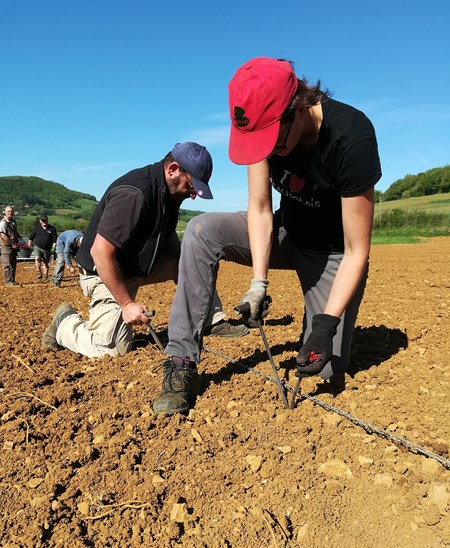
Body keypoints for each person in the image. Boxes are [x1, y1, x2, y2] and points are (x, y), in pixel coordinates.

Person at [153, 57, 381, 416]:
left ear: (297, 108)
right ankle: (181, 358)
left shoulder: (351, 138)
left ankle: (324, 325)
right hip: (286, 233)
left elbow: (356, 251)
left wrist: (325, 323)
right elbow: (260, 210)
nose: (268, 151)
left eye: (272, 141)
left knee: (322, 367)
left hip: (333, 254)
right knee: (201, 230)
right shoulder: (263, 131)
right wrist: (259, 282)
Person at [42, 142, 247, 357]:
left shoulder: (170, 194)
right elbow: (100, 252)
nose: (193, 195)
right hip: (105, 272)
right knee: (111, 348)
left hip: (139, 265)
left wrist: (187, 260)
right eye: (191, 186)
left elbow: (170, 240)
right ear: (173, 169)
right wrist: (127, 303)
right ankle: (65, 324)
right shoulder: (134, 195)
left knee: (197, 258)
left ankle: (209, 320)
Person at [28, 215, 57, 281]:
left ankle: (45, 275)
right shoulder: (37, 228)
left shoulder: (52, 229)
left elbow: (54, 240)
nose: (44, 222)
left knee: (46, 262)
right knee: (37, 258)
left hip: (47, 248)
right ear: (40, 221)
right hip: (38, 246)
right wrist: (29, 242)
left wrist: (53, 247)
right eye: (42, 220)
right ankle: (38, 272)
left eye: (45, 220)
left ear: (47, 220)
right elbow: (31, 237)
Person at [0, 206, 21, 286]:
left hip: (13, 245)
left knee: (13, 264)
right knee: (7, 264)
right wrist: (12, 244)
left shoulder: (13, 221)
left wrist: (19, 236)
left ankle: (12, 280)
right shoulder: (2, 223)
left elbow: (14, 231)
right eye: (8, 211)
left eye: (11, 211)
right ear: (5, 212)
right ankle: (7, 281)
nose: (10, 213)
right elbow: (3, 236)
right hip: (6, 246)